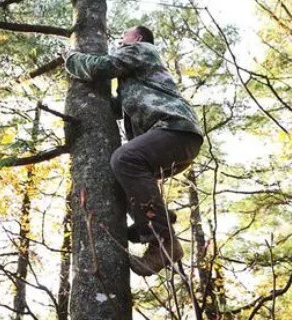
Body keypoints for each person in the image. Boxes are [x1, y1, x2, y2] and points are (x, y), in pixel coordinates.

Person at [64, 25, 203, 276]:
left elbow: (99, 67)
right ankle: (155, 218)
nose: (120, 39)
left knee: (124, 159)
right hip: (169, 138)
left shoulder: (141, 49)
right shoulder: (133, 77)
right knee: (118, 173)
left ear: (137, 38)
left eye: (124, 35)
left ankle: (162, 242)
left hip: (174, 129)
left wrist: (71, 58)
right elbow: (121, 107)